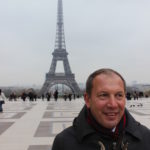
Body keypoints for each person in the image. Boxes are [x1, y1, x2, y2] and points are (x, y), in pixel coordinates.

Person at [52, 68, 150, 150]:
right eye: (103, 95)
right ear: (87, 99)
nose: (113, 104)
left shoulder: (146, 136)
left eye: (119, 95)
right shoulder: (63, 143)